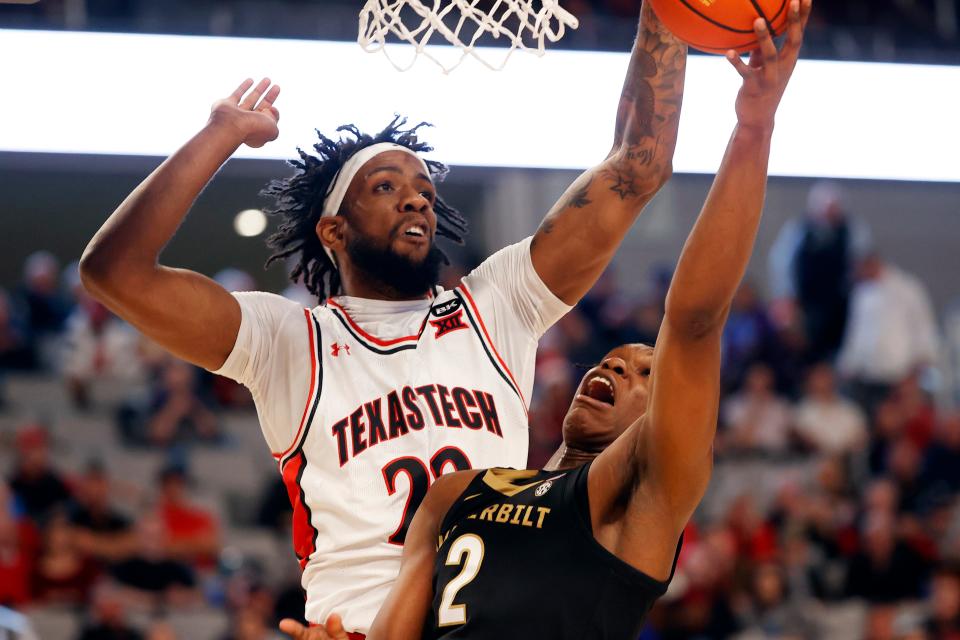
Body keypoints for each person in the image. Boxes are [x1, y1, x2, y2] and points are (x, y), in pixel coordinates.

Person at [78, 1, 688, 633]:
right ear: (333, 229)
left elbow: (637, 167)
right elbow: (113, 273)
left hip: (484, 621)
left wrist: (667, 11)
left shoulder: (497, 304)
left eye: (424, 187)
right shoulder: (286, 339)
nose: (416, 196)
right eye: (386, 186)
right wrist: (220, 135)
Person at [279, 3, 811, 637]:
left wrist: (752, 127)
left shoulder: (645, 493)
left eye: (648, 371)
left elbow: (694, 320)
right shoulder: (456, 495)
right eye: (620, 357)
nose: (618, 362)